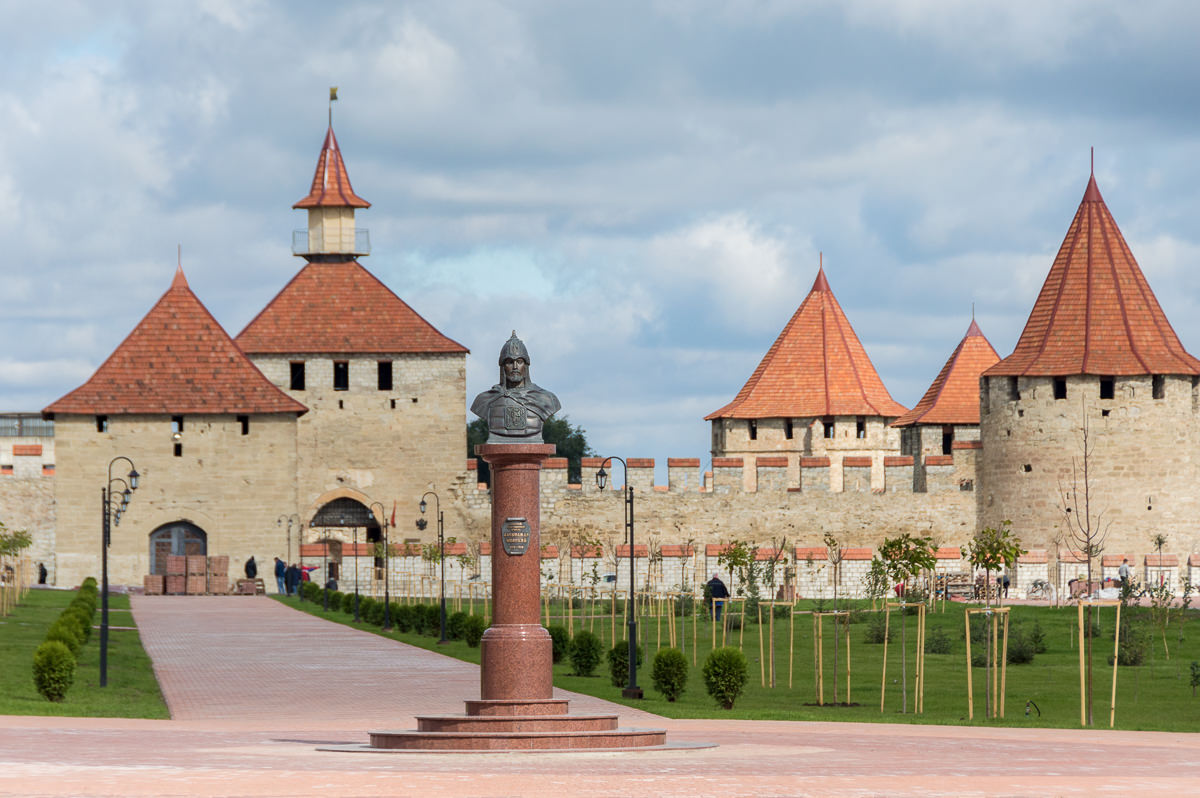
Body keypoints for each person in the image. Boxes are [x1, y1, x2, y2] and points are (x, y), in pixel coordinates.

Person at [470, 332, 561, 444]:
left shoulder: (546, 398)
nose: (515, 367)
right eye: (509, 362)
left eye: (519, 361)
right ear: (503, 366)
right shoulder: (485, 400)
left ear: (526, 365)